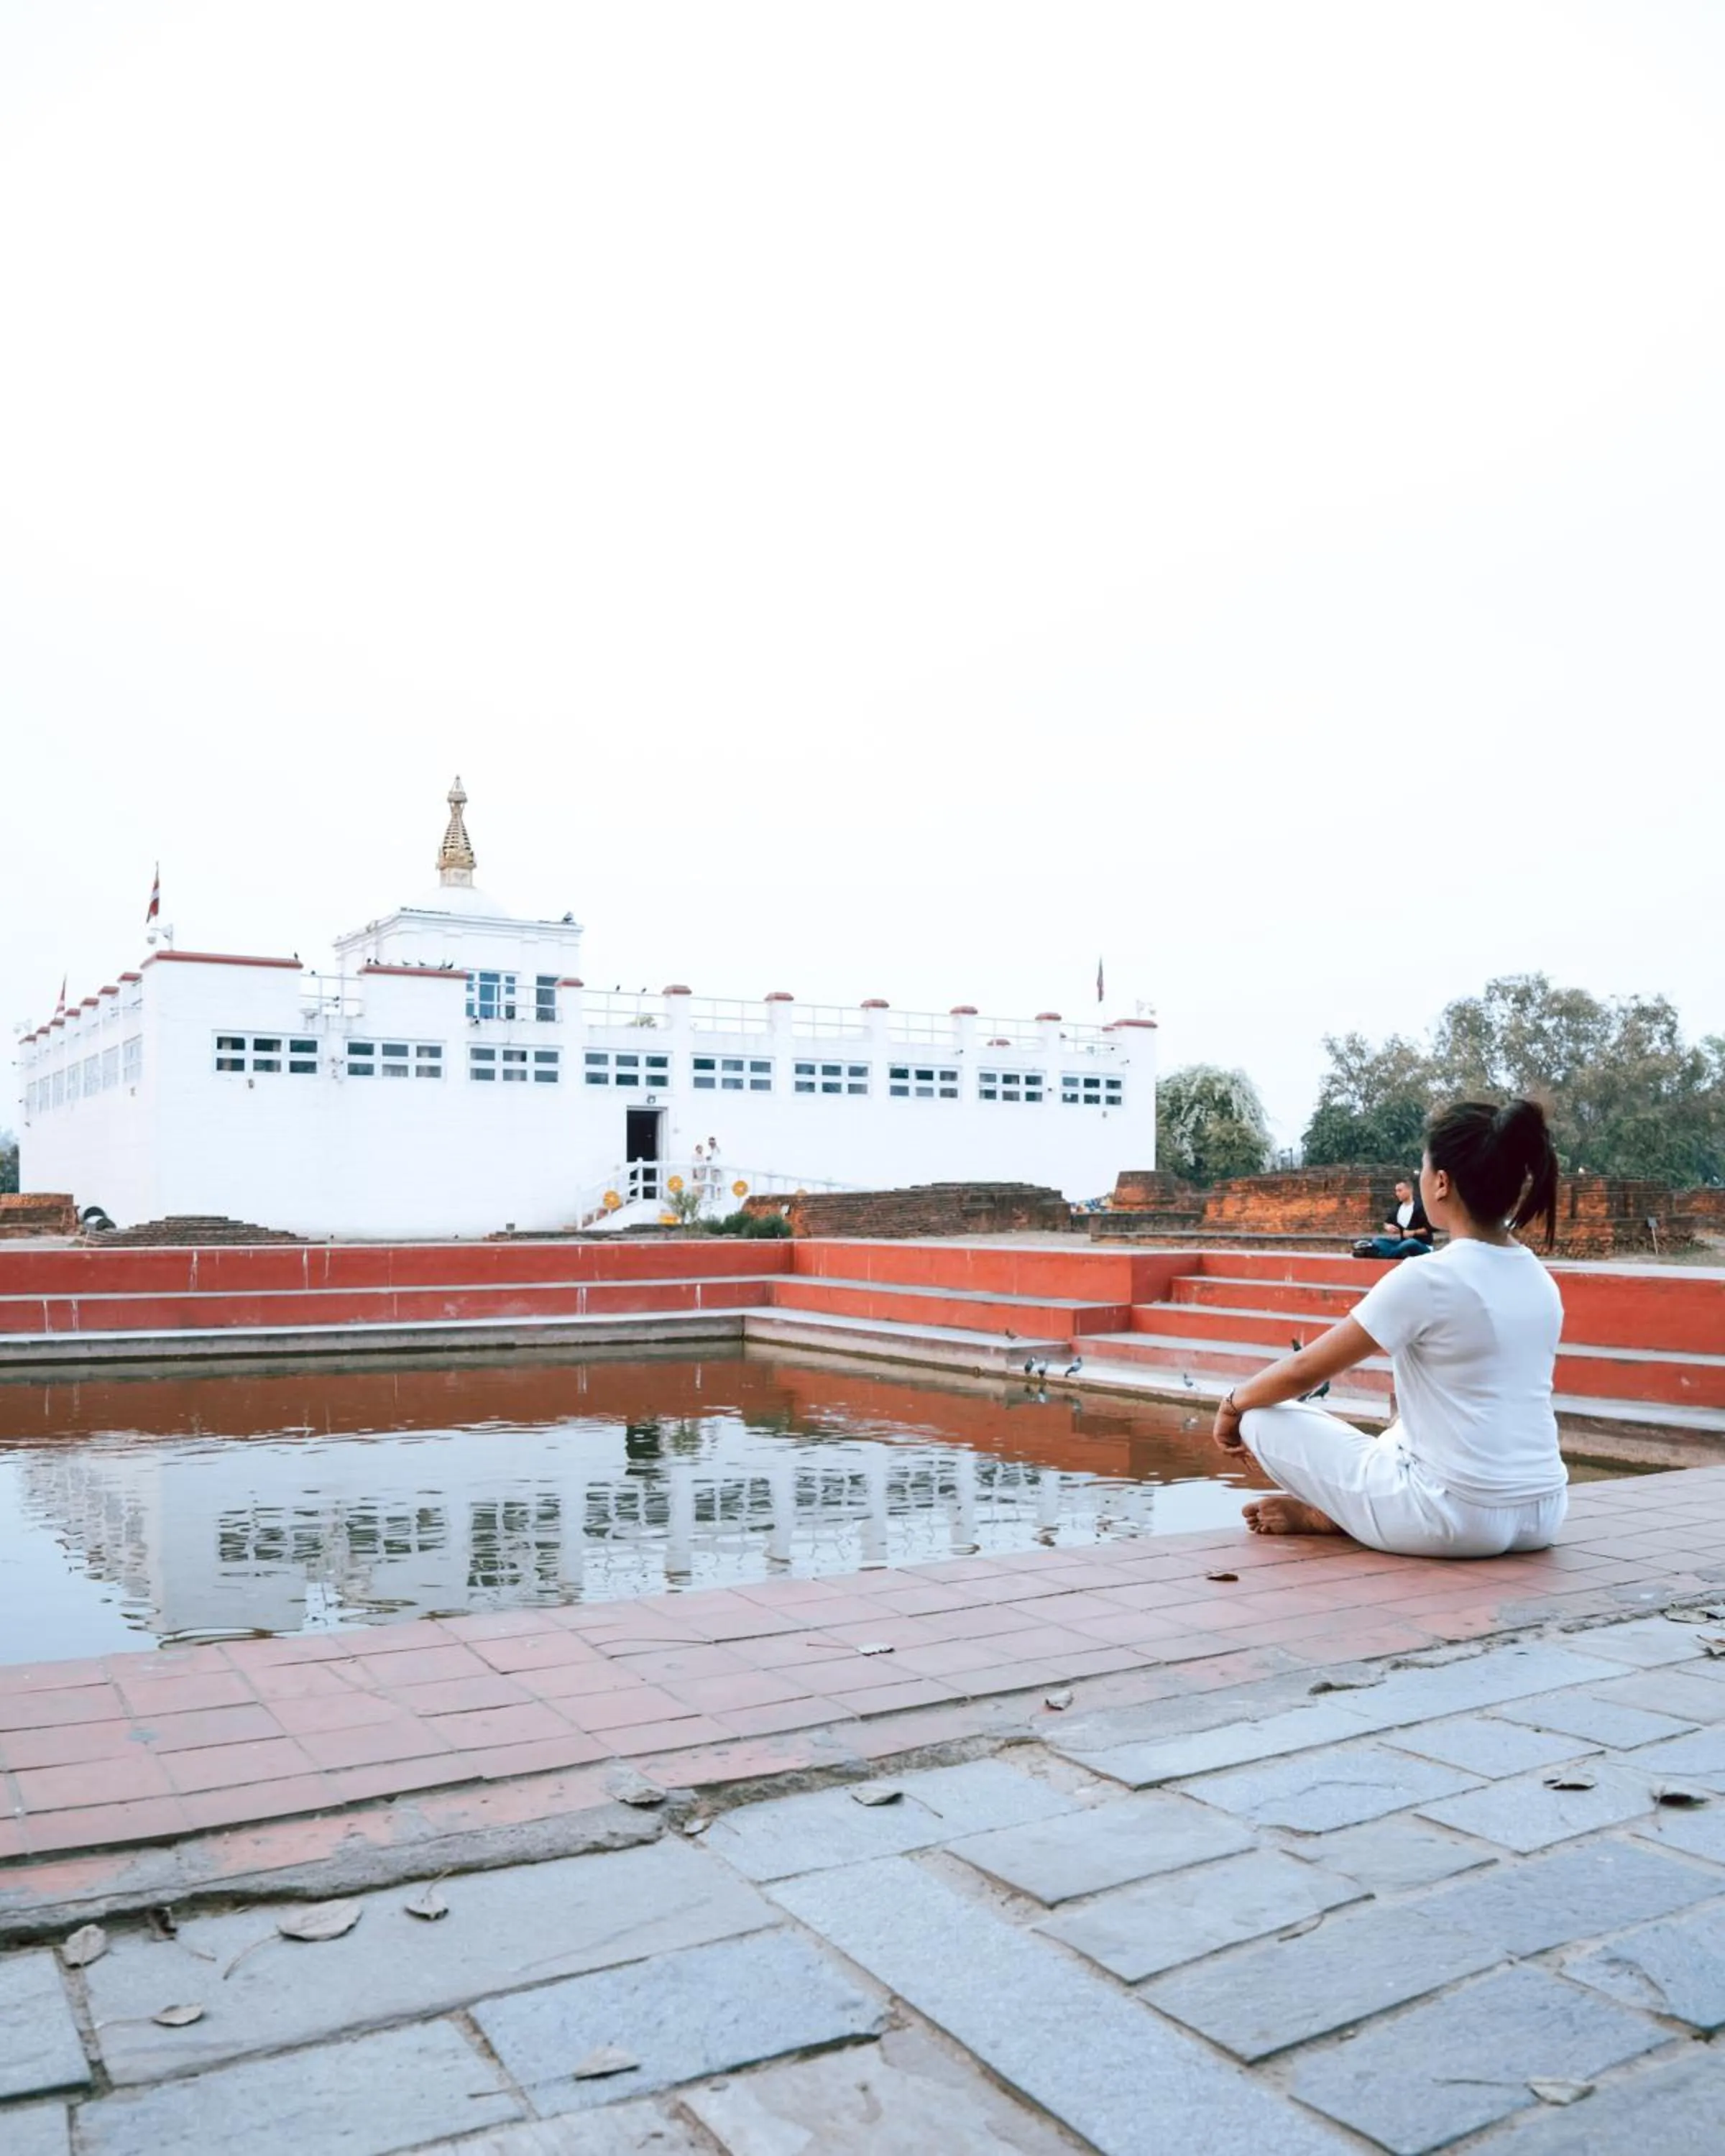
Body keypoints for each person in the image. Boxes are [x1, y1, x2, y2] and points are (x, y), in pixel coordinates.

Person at [1213, 1099, 1566, 1558]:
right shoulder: (1539, 1278)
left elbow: (1305, 1371)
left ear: (1441, 1183)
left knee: (1261, 1416)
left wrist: (1231, 1405)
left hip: (1450, 1519)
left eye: (1423, 1167)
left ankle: (1338, 1515)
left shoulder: (1428, 1278)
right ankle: (1352, 1513)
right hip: (1543, 1512)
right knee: (1402, 1429)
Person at [1354, 1177, 1434, 1260]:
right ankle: (1396, 1254)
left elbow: (1431, 1228)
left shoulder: (1421, 1206)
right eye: (1396, 1191)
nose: (1397, 1194)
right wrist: (1388, 1227)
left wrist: (1413, 1233)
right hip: (1402, 1244)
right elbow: (1387, 1223)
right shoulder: (1398, 1208)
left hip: (1423, 1245)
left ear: (1410, 1190)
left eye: (1400, 1191)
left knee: (1410, 1243)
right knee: (1377, 1241)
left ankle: (1382, 1255)